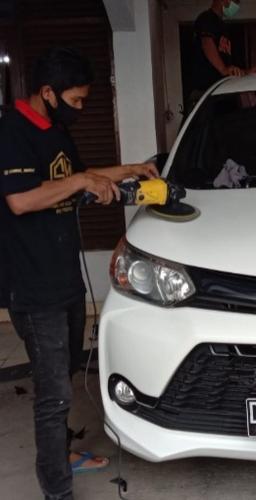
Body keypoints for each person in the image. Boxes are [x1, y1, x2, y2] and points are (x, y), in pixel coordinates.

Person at [0, 47, 159, 500]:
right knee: (52, 394)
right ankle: (57, 489)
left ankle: (60, 454)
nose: (80, 108)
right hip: (33, 287)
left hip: (65, 280)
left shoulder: (55, 129)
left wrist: (127, 170)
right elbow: (21, 199)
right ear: (48, 92)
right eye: (75, 100)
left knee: (64, 376)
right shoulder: (12, 131)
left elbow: (78, 173)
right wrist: (81, 183)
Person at [192, 0, 256, 97]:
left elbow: (229, 66)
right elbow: (207, 43)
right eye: (235, 1)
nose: (236, 5)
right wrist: (223, 69)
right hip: (206, 92)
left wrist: (246, 72)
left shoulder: (222, 26)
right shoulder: (207, 18)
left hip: (221, 90)